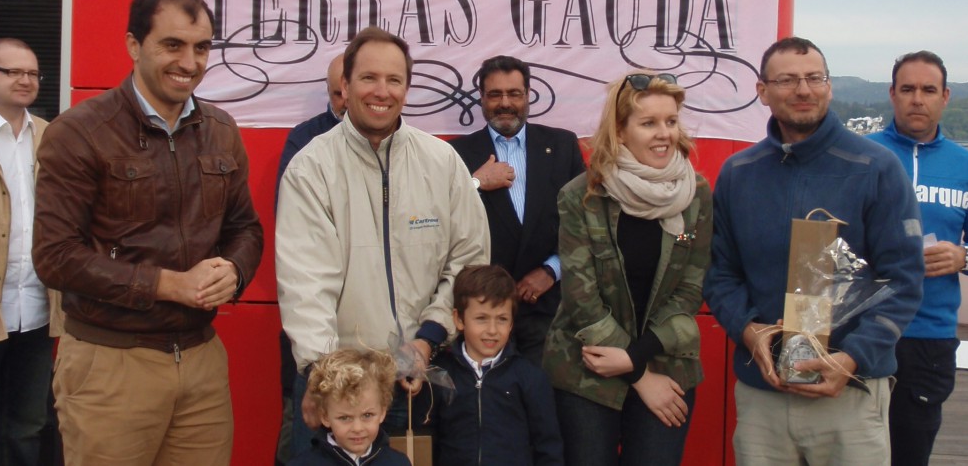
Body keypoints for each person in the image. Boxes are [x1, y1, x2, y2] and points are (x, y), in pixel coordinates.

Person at [32, 0, 264, 465]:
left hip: (201, 362)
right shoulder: (79, 132)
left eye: (202, 47)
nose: (190, 62)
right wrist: (167, 285)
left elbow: (246, 228)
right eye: (172, 45)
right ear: (134, 45)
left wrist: (234, 270)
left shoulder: (221, 130)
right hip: (110, 364)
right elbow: (55, 257)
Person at [703, 36, 924, 465]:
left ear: (829, 86)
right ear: (762, 91)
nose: (803, 90)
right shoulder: (738, 173)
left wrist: (852, 358)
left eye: (814, 78)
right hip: (763, 397)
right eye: (787, 80)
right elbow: (720, 274)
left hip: (850, 393)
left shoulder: (877, 168)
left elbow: (904, 280)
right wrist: (748, 331)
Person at [276, 26, 490, 452]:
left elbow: (469, 261)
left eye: (394, 79)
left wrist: (429, 338)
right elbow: (305, 284)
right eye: (369, 78)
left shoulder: (442, 161)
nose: (382, 91)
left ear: (407, 88)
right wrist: (327, 378)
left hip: (422, 382)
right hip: (340, 391)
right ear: (345, 84)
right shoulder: (311, 168)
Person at [543, 71, 712, 466]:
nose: (664, 134)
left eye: (671, 121)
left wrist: (638, 358)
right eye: (649, 123)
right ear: (620, 131)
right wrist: (638, 374)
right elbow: (581, 298)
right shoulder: (581, 196)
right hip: (588, 368)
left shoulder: (697, 194)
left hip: (666, 363)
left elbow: (690, 290)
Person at [866, 50, 968, 466]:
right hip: (860, 329)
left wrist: (964, 256)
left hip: (929, 337)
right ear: (892, 94)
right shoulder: (861, 155)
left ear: (945, 97)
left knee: (911, 454)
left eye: (928, 90)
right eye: (907, 89)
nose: (917, 99)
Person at [449, 56, 585, 366]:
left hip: (549, 311)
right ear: (481, 98)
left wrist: (552, 270)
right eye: (495, 94)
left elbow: (585, 222)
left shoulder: (562, 145)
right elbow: (442, 218)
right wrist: (476, 183)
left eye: (514, 94)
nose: (505, 103)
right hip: (484, 313)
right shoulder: (456, 153)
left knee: (543, 395)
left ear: (528, 95)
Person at [0, 39, 62, 465]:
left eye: (33, 73)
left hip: (38, 310)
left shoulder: (52, 138)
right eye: (14, 72)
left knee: (28, 427)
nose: (26, 81)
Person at [274, 52, 345, 465]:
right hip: (315, 317)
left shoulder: (408, 147)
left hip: (374, 327)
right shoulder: (305, 140)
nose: (343, 101)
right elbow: (295, 224)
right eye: (336, 93)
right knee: (304, 432)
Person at [431, 264, 563, 466]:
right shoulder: (440, 374)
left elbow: (548, 447)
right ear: (459, 319)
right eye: (481, 319)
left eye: (502, 319)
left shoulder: (530, 378)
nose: (492, 330)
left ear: (511, 323)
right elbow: (430, 441)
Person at [288, 348, 410, 466]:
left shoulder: (398, 462)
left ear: (382, 412)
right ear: (325, 416)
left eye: (367, 415)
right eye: (345, 418)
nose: (357, 428)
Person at [276, 53, 346, 189]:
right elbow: (288, 198)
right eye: (338, 94)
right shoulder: (303, 137)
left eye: (352, 93)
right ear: (328, 88)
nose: (346, 102)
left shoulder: (385, 135)